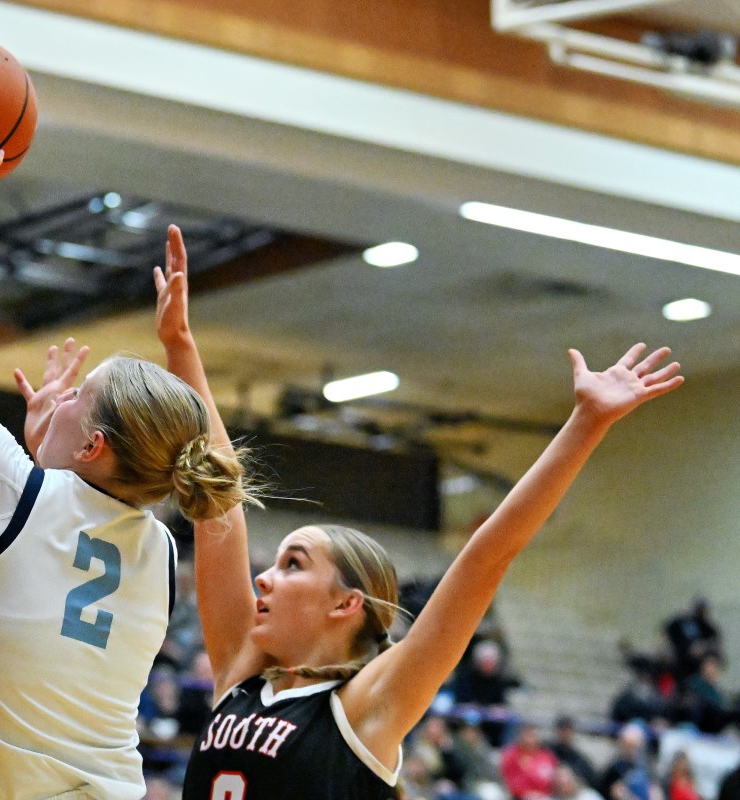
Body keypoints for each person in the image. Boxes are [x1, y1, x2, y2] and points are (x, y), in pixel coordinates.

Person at [145, 224, 684, 800]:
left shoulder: (370, 703)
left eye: (293, 564)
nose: (263, 577)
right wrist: (181, 346)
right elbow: (219, 497)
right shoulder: (241, 672)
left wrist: (585, 425)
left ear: (346, 603)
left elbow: (485, 559)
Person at [0, 117, 253, 799]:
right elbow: (201, 506)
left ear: (94, 447)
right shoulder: (160, 550)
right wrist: (51, 457)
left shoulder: (5, 481)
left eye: (76, 398)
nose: (56, 396)